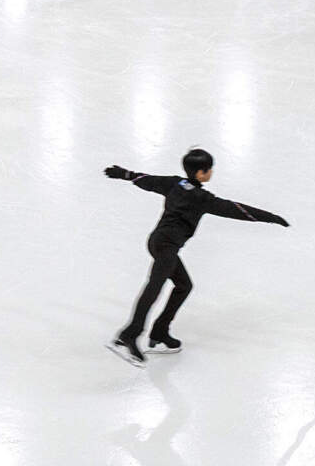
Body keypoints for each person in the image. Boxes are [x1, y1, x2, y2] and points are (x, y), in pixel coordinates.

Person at [102, 148, 288, 366]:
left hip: (158, 241)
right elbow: (235, 209)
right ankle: (129, 335)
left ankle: (160, 332)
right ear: (201, 173)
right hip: (166, 246)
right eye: (210, 169)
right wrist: (270, 217)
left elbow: (147, 180)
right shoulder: (202, 198)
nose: (211, 172)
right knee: (154, 287)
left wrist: (124, 174)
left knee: (184, 286)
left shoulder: (174, 183)